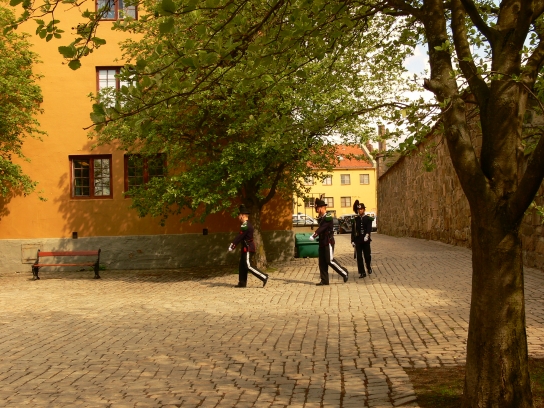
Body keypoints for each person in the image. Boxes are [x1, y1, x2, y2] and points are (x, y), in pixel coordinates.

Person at [309, 198, 349, 285]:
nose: (317, 210)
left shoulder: (328, 217)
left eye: (318, 208)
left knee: (329, 260)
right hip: (322, 242)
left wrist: (314, 235)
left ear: (322, 208)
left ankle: (344, 272)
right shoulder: (321, 218)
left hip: (328, 241)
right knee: (322, 262)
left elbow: (322, 228)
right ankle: (324, 280)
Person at [228, 205, 269, 288]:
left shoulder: (246, 225)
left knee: (248, 265)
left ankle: (264, 276)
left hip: (248, 248)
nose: (238, 217)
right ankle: (242, 283)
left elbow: (239, 236)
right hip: (245, 248)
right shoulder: (245, 224)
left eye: (239, 215)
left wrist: (233, 245)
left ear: (242, 215)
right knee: (242, 265)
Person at [351, 200, 373, 278]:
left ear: (364, 210)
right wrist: (352, 240)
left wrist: (367, 235)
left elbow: (369, 228)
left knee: (367, 256)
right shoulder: (355, 219)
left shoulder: (368, 218)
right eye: (359, 209)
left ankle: (368, 266)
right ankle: (362, 272)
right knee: (359, 257)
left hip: (366, 240)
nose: (360, 211)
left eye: (361, 209)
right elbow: (353, 231)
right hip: (358, 240)